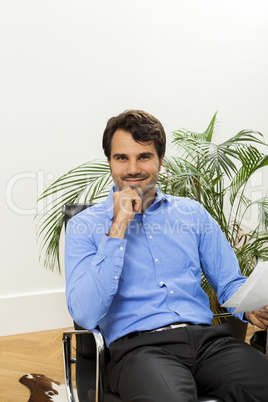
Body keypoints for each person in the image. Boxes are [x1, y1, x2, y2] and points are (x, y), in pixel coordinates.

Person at [65, 110, 268, 402]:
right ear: (110, 162)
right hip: (140, 351)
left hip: (209, 343)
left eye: (144, 156)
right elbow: (84, 313)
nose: (133, 168)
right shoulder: (84, 226)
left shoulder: (192, 214)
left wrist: (251, 309)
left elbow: (230, 284)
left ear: (161, 161)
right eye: (122, 157)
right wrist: (118, 225)